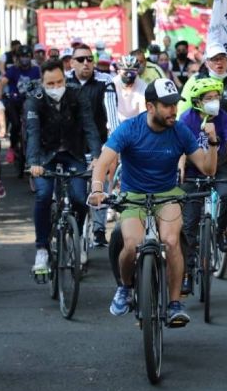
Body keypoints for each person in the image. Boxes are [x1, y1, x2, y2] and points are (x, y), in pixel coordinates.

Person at [89, 79, 218, 326]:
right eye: (167, 105)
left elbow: (207, 167)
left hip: (167, 194)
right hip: (133, 196)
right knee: (131, 244)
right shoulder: (130, 129)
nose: (173, 110)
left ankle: (174, 304)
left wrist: (212, 142)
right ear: (150, 107)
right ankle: (125, 288)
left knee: (171, 242)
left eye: (175, 104)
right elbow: (103, 163)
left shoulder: (180, 130)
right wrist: (97, 189)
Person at [25, 60, 102, 274]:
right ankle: (41, 248)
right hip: (44, 156)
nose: (56, 87)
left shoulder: (77, 95)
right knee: (43, 194)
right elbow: (32, 133)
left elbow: (89, 127)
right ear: (42, 82)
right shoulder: (34, 99)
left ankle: (73, 235)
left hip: (73, 154)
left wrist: (97, 155)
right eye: (50, 83)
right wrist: (34, 163)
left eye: (59, 82)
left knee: (79, 198)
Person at [178, 77, 227, 292]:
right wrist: (180, 168)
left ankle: (219, 232)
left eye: (217, 97)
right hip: (192, 170)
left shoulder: (224, 118)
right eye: (209, 98)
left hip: (221, 166)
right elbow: (181, 147)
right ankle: (187, 273)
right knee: (189, 225)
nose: (215, 101)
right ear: (198, 101)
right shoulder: (186, 119)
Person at [68, 45, 120, 246]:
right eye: (80, 59)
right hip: (71, 147)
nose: (86, 63)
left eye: (89, 59)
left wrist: (113, 149)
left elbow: (113, 117)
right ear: (72, 63)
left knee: (100, 185)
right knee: (73, 193)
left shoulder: (104, 80)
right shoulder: (64, 81)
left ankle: (98, 230)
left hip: (98, 144)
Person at [0, 45, 41, 176]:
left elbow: (44, 81)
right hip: (14, 102)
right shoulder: (13, 70)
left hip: (30, 102)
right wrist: (0, 93)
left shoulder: (36, 70)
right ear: (18, 58)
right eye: (22, 56)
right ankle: (12, 147)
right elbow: (3, 82)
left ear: (31, 57)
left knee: (34, 125)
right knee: (16, 124)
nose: (25, 59)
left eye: (27, 56)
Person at [112, 55, 147, 122]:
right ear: (119, 71)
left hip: (135, 123)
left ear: (137, 72)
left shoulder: (143, 86)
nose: (129, 74)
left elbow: (143, 112)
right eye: (125, 71)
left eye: (132, 71)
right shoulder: (112, 84)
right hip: (116, 122)